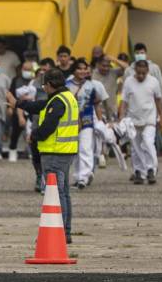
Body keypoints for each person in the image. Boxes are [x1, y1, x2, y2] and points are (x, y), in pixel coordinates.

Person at [15, 69, 79, 242]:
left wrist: (34, 135)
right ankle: (65, 232)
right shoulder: (67, 97)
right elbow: (40, 106)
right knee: (63, 193)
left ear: (50, 84)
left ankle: (58, 233)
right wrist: (19, 104)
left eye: (44, 85)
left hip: (55, 152)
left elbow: (48, 126)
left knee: (56, 194)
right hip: (65, 151)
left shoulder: (58, 101)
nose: (43, 88)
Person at [119, 59, 162, 185]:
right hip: (133, 119)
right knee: (135, 148)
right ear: (134, 71)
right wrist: (121, 117)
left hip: (149, 119)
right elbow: (124, 101)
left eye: (143, 74)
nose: (140, 76)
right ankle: (139, 172)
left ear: (147, 71)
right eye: (138, 73)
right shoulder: (128, 81)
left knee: (148, 142)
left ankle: (151, 169)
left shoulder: (153, 82)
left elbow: (158, 99)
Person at [66, 58, 107, 189]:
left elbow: (96, 104)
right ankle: (78, 177)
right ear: (74, 71)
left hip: (87, 122)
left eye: (85, 68)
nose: (83, 71)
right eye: (79, 68)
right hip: (71, 123)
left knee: (85, 148)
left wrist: (100, 121)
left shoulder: (91, 86)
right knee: (75, 151)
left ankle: (84, 177)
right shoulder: (66, 85)